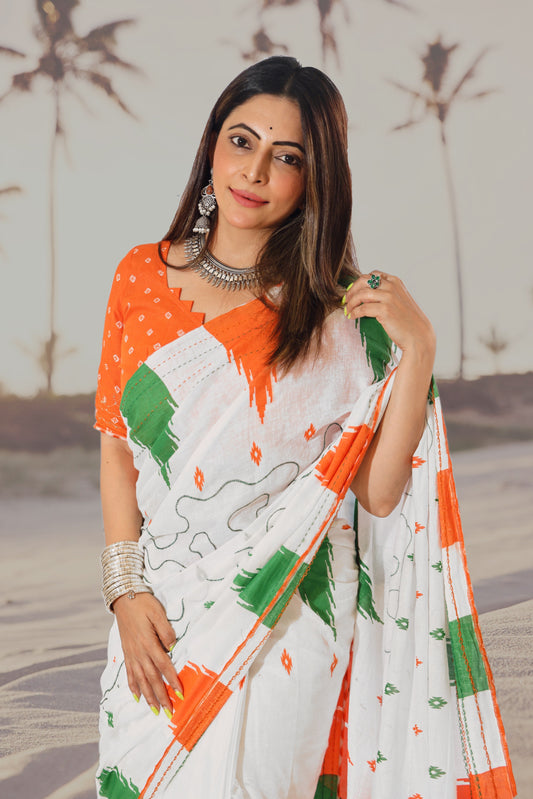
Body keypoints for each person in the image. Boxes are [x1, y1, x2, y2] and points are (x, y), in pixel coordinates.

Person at [94, 57, 515, 799]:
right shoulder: (139, 276)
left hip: (291, 613)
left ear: (315, 178)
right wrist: (125, 594)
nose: (254, 171)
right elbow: (116, 450)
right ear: (211, 145)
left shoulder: (338, 315)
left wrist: (418, 349)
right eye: (241, 141)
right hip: (162, 607)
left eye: (286, 157)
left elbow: (376, 494)